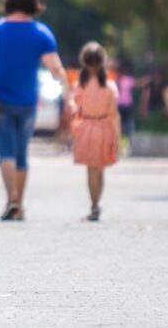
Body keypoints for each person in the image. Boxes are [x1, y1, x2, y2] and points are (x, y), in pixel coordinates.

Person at [0, 0, 73, 221]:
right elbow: (56, 69)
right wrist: (68, 96)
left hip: (0, 102)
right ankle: (19, 203)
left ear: (8, 3)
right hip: (28, 102)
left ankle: (12, 200)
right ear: (33, 5)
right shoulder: (41, 33)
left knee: (5, 151)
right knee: (21, 153)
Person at [71, 42, 121, 222]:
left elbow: (73, 109)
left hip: (86, 128)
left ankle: (94, 205)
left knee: (91, 170)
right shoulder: (109, 87)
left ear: (83, 62)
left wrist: (73, 130)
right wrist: (118, 136)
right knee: (100, 169)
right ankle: (96, 203)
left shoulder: (80, 86)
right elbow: (114, 114)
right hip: (105, 127)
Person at [115, 62, 136, 139]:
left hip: (119, 104)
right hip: (128, 104)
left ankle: (119, 137)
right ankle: (127, 137)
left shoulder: (118, 79)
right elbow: (138, 83)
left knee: (119, 122)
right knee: (128, 123)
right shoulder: (130, 80)